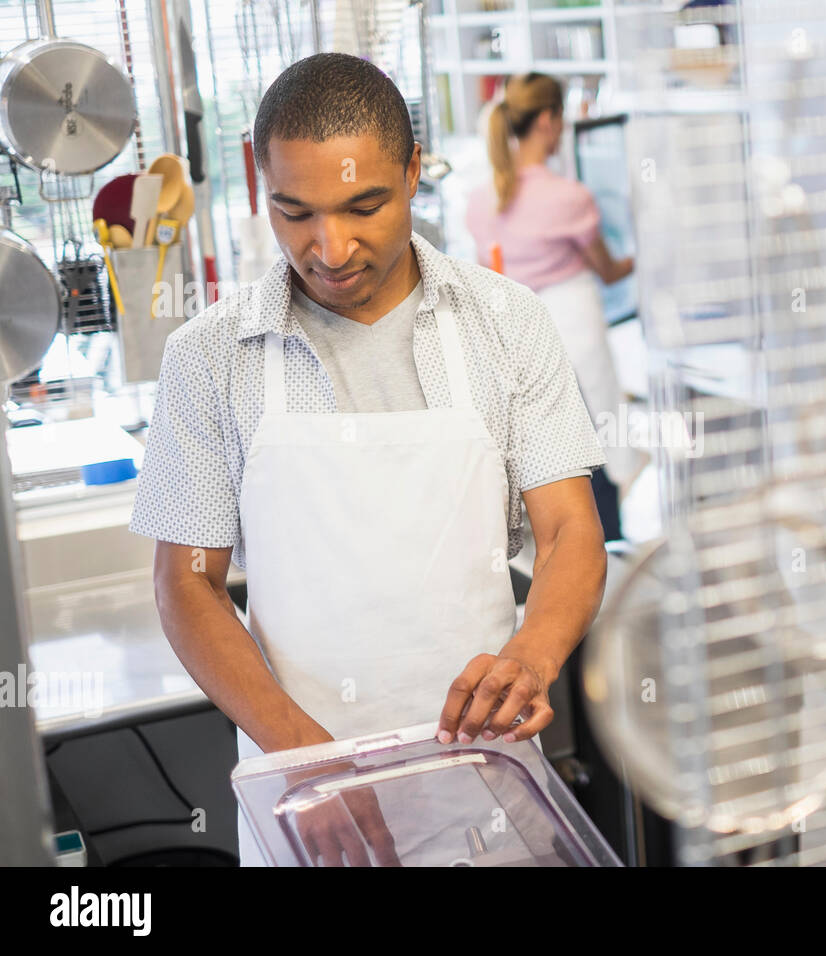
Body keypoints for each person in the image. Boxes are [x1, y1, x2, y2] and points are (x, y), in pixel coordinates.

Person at [128, 53, 609, 866]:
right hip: (305, 803)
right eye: (295, 212)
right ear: (258, 185)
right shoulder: (210, 355)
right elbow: (190, 583)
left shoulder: (505, 322)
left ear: (414, 172)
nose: (332, 246)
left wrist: (533, 656)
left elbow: (569, 533)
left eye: (365, 206)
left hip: (487, 795)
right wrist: (311, 767)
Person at [465, 73, 645, 539]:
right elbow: (608, 271)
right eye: (561, 119)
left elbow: (490, 276)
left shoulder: (482, 201)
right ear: (547, 121)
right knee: (600, 452)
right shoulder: (569, 197)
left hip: (518, 346)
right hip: (576, 333)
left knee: (552, 459)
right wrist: (647, 254)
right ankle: (610, 548)